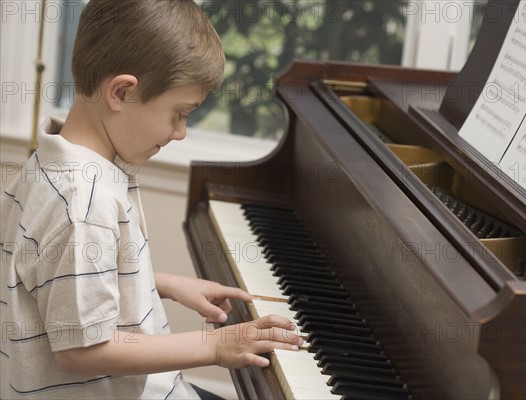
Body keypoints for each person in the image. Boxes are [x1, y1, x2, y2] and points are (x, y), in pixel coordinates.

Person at [0, 1, 302, 399]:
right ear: (122, 91)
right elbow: (83, 350)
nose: (180, 133)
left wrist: (160, 283)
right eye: (180, 113)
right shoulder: (82, 202)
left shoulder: (51, 166)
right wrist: (214, 346)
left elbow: (55, 281)